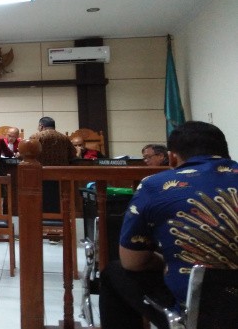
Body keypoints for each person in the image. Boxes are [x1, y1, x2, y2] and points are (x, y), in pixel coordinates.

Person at [99, 121, 238, 329]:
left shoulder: (154, 185)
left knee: (115, 273)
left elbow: (132, 262)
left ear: (171, 157)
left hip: (202, 312)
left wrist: (167, 261)